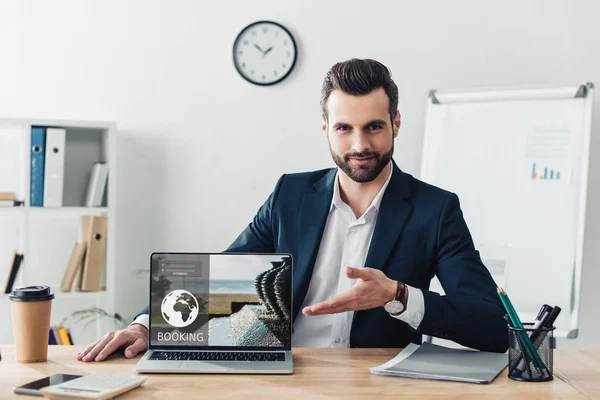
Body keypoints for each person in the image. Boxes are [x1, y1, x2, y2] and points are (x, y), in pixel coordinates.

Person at [77, 58, 508, 363]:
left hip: (376, 383)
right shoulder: (291, 195)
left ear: (396, 123)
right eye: (344, 128)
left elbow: (491, 326)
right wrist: (145, 327)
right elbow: (225, 276)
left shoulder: (436, 209)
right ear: (326, 129)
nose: (359, 144)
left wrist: (397, 296)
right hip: (286, 374)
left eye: (373, 126)